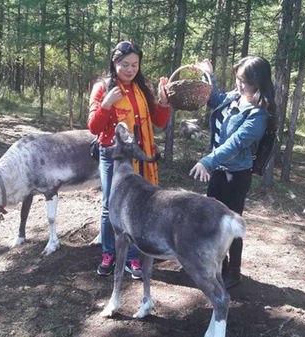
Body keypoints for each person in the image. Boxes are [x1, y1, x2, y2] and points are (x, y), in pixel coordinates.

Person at [190, 56, 276, 289]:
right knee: (212, 218)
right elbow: (214, 100)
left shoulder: (258, 115)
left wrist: (207, 161)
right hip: (219, 169)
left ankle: (234, 271)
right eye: (238, 79)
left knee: (231, 222)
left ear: (258, 83)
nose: (240, 85)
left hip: (236, 175)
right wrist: (209, 75)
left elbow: (235, 144)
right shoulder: (235, 96)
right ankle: (219, 264)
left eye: (244, 81)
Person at [88, 41, 171, 279]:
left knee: (137, 206)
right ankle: (109, 253)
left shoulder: (142, 86)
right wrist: (105, 105)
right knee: (109, 206)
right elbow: (94, 128)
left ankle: (133, 257)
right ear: (114, 64)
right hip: (113, 156)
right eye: (125, 65)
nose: (130, 69)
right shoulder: (102, 88)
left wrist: (164, 104)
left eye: (134, 64)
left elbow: (159, 120)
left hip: (140, 155)